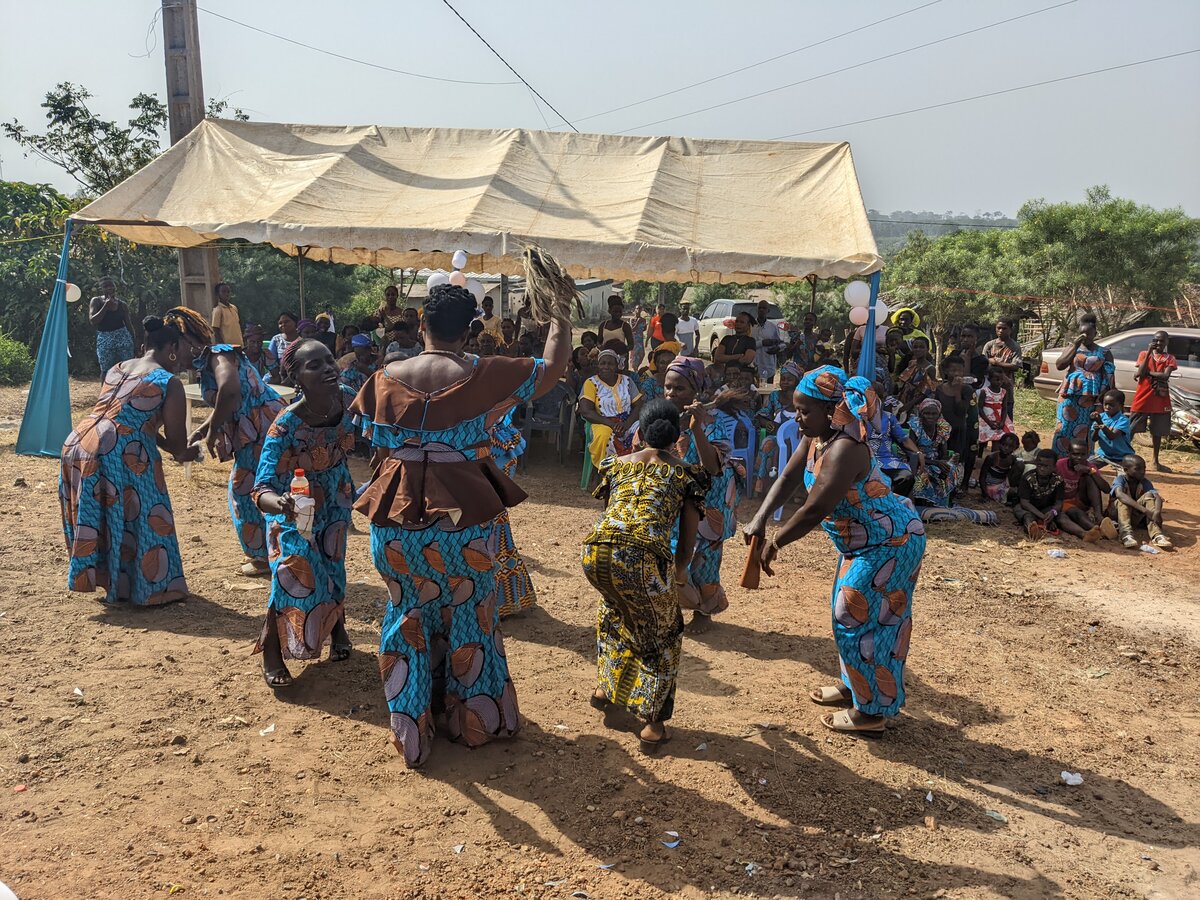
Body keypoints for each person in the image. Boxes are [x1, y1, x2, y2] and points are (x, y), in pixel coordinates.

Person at [349, 282, 571, 767]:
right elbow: (553, 367)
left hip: (397, 516)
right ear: (472, 331)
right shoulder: (487, 374)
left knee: (406, 610)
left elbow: (377, 450)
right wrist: (559, 314)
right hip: (464, 518)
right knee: (471, 610)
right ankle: (474, 721)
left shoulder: (385, 378)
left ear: (421, 325)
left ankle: (412, 729)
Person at [745, 366, 926, 735]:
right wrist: (760, 518)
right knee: (847, 615)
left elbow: (815, 508)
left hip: (889, 542)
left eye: (805, 410)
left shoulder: (846, 448)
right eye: (797, 409)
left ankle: (872, 713)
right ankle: (855, 688)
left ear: (832, 410)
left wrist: (776, 543)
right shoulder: (816, 437)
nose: (798, 418)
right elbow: (788, 476)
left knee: (861, 619)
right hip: (860, 543)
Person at [583, 399, 708, 753]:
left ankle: (605, 690)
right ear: (676, 435)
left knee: (615, 614)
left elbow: (612, 514)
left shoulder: (617, 466)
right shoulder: (686, 474)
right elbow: (686, 540)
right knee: (664, 631)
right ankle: (653, 724)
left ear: (641, 431)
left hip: (596, 551)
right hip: (642, 556)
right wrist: (679, 576)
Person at [60, 316, 199, 604]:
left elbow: (129, 418)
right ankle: (150, 588)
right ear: (171, 347)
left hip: (79, 441)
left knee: (103, 513)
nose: (187, 355)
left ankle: (108, 579)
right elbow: (175, 441)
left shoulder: (117, 367)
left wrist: (161, 441)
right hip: (117, 450)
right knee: (144, 511)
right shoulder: (167, 381)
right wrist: (187, 452)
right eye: (184, 348)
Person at [252, 340, 356, 688]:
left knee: (332, 565)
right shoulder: (285, 426)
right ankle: (271, 650)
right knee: (292, 571)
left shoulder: (347, 397)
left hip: (336, 499)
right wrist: (280, 504)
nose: (328, 368)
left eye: (329, 360)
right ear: (295, 376)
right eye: (314, 365)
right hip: (294, 507)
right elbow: (261, 488)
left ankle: (337, 628)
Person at [164, 306, 286, 576]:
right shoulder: (209, 361)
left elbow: (230, 391)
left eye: (175, 347)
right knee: (261, 488)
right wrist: (204, 429)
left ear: (185, 340)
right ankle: (275, 552)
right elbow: (229, 402)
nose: (176, 357)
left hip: (262, 428)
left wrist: (213, 431)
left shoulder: (219, 354)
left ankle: (264, 558)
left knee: (244, 490)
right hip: (257, 428)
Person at [663, 357, 738, 633]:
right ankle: (676, 606)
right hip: (677, 500)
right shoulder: (664, 416)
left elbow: (713, 466)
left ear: (696, 390)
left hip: (710, 501)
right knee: (675, 553)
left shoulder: (714, 420)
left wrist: (697, 428)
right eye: (668, 387)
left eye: (679, 388)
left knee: (705, 557)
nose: (671, 394)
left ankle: (705, 612)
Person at [1052, 312, 1114, 457]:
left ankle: (1082, 460)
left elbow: (1109, 377)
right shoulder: (1072, 348)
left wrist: (1101, 401)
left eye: (1088, 333)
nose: (1085, 336)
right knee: (1064, 427)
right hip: (1069, 394)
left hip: (1090, 397)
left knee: (1086, 428)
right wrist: (1074, 345)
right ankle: (1059, 461)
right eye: (1082, 333)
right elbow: (1060, 365)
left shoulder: (1104, 352)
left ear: (1095, 333)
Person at [579, 349, 644, 469]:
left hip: (628, 421)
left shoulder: (627, 381)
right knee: (605, 437)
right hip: (602, 422)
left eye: (610, 364)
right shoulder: (591, 383)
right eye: (603, 363)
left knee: (643, 431)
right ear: (598, 365)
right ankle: (608, 472)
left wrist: (626, 424)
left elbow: (639, 405)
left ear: (616, 366)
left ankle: (634, 469)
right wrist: (612, 424)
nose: (606, 367)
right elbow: (585, 411)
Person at [1130, 330, 1177, 472]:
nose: (1158, 343)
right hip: (1142, 397)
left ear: (1167, 342)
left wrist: (1147, 373)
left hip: (1160, 398)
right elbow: (1140, 370)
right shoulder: (1144, 354)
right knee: (1131, 428)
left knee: (1157, 432)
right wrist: (1149, 352)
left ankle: (1155, 461)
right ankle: (1122, 456)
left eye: (1161, 341)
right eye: (1155, 340)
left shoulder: (1170, 358)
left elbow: (1164, 376)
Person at [1054, 439, 1114, 542]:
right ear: (1068, 453)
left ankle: (1098, 516)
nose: (1079, 458)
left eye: (1083, 454)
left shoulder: (1089, 466)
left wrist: (1089, 471)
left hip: (1080, 499)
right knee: (1076, 513)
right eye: (1075, 454)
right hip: (1061, 501)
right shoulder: (1060, 465)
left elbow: (1106, 489)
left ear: (1088, 454)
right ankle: (1098, 530)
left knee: (1090, 477)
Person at [754, 361, 801, 493]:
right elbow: (762, 414)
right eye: (783, 379)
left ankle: (796, 489)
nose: (785, 382)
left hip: (799, 438)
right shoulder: (774, 396)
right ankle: (764, 485)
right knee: (767, 443)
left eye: (789, 379)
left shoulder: (802, 397)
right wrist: (766, 423)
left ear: (797, 381)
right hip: (777, 435)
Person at [1109, 454, 1172, 550]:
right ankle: (1126, 535)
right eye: (1137, 469)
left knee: (1149, 496)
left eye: (1144, 469)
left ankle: (1157, 535)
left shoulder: (1144, 482)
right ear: (1126, 470)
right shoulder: (1120, 479)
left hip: (1134, 517)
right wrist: (1145, 511)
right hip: (1117, 518)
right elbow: (1119, 494)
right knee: (1123, 500)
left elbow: (1157, 497)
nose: (1142, 472)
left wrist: (1157, 512)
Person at [935, 356, 977, 498]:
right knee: (943, 457)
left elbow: (961, 410)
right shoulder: (939, 389)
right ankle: (941, 487)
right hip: (942, 432)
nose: (957, 374)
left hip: (959, 431)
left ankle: (955, 488)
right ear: (946, 371)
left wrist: (958, 391)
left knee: (957, 460)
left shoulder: (967, 389)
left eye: (960, 370)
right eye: (953, 370)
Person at [908, 398, 962, 508]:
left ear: (939, 414)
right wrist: (936, 463)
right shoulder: (915, 427)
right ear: (921, 413)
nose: (930, 416)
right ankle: (922, 503)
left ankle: (943, 503)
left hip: (935, 461)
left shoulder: (942, 428)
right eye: (927, 413)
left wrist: (944, 465)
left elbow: (943, 453)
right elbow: (911, 454)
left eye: (934, 414)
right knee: (922, 475)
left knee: (953, 469)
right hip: (918, 461)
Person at [869, 395, 924, 498]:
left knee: (906, 476)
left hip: (887, 460)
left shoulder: (889, 417)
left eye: (880, 397)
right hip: (865, 460)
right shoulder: (857, 418)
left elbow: (904, 439)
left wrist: (918, 453)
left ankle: (894, 506)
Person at [89, 276, 135, 376]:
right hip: (105, 338)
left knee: (128, 368)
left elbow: (129, 325)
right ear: (101, 289)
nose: (109, 288)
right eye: (106, 286)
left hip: (123, 337)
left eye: (111, 286)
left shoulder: (122, 305)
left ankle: (128, 390)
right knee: (106, 370)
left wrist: (134, 341)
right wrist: (105, 306)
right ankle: (105, 391)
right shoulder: (96, 301)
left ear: (115, 287)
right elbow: (93, 320)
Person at [1015, 449, 1065, 541]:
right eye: (1040, 465)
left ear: (1054, 467)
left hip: (1046, 508)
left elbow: (1059, 503)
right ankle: (1033, 532)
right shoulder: (1028, 477)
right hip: (1028, 507)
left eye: (1046, 466)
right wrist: (1042, 517)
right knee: (1027, 516)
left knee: (1062, 516)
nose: (1042, 468)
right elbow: (1024, 502)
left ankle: (1083, 533)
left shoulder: (1058, 480)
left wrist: (1053, 512)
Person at [1091, 389, 1135, 467]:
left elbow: (1112, 436)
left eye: (1112, 405)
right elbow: (1094, 439)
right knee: (1086, 468)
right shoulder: (1101, 417)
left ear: (1121, 406)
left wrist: (1100, 422)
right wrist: (1096, 429)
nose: (1107, 407)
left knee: (1125, 476)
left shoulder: (1123, 420)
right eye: (1105, 404)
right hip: (1104, 454)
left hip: (1122, 456)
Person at [895, 337, 937, 419]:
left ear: (927, 349)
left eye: (921, 347)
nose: (918, 349)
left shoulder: (930, 368)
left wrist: (909, 404)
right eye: (915, 347)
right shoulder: (911, 363)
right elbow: (906, 382)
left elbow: (928, 392)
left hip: (916, 403)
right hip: (904, 398)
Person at [976, 367, 1014, 452]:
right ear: (989, 379)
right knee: (983, 434)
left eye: (1001, 380)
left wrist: (1003, 422)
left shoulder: (1004, 392)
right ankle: (980, 453)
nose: (999, 382)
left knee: (1000, 437)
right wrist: (989, 422)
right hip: (986, 419)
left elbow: (1004, 408)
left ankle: (995, 455)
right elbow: (980, 408)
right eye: (997, 379)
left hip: (1000, 418)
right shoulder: (984, 391)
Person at [978, 433, 1023, 505]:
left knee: (1020, 465)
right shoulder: (991, 458)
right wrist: (984, 493)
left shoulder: (1012, 459)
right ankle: (1003, 498)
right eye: (1004, 445)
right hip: (990, 486)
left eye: (1010, 446)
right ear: (999, 444)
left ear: (1016, 448)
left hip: (1002, 485)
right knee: (1013, 493)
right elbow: (982, 477)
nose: (1006, 448)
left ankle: (1007, 496)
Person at [752, 299, 785, 382]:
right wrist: (762, 343)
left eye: (764, 308)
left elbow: (781, 343)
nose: (761, 310)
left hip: (768, 365)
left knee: (768, 391)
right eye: (760, 308)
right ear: (757, 309)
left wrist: (777, 348)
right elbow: (747, 345)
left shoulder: (772, 327)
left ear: (768, 310)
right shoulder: (751, 326)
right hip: (752, 366)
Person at [628, 303, 647, 371]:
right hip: (634, 339)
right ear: (635, 310)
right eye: (637, 308)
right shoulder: (632, 319)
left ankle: (637, 367)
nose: (638, 310)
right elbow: (632, 329)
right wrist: (637, 322)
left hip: (640, 340)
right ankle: (634, 369)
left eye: (640, 308)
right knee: (634, 355)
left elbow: (644, 328)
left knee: (641, 354)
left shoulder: (643, 319)